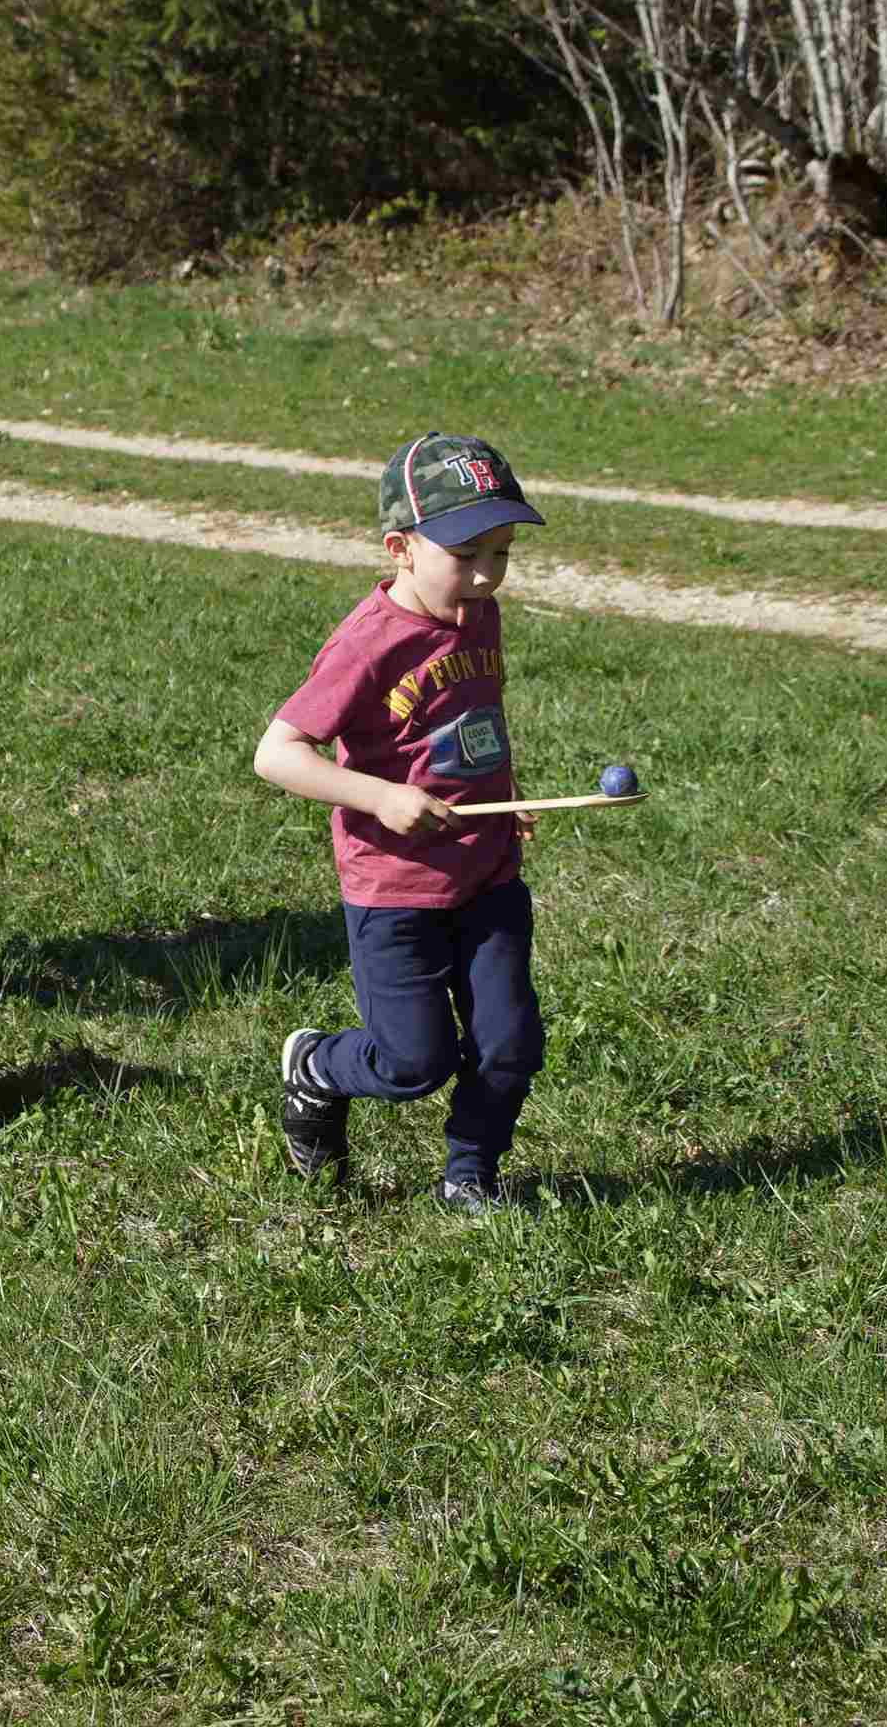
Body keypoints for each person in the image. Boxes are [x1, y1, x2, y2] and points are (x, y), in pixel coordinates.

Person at [250, 432, 550, 1212]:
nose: (486, 574)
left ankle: (469, 1176)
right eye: (466, 554)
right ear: (401, 549)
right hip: (396, 889)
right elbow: (277, 755)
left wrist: (507, 793)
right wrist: (381, 797)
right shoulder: (368, 645)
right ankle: (317, 1067)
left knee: (511, 1042)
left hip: (487, 873)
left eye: (502, 552)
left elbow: (477, 719)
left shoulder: (477, 614)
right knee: (415, 1061)